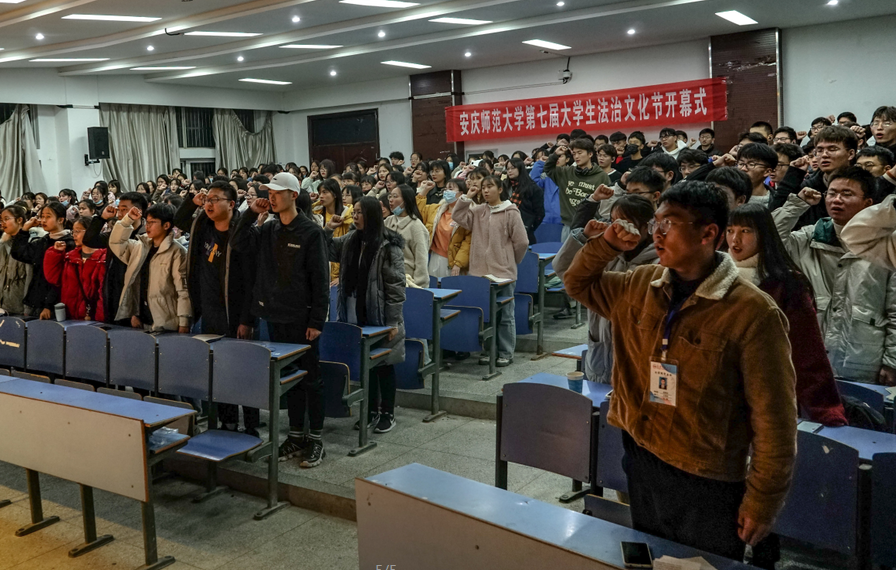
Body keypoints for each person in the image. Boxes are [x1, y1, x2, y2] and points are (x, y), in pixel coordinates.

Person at [564, 180, 797, 561]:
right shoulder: (640, 283)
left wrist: (763, 498)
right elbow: (577, 282)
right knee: (653, 558)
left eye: (669, 224)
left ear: (708, 234)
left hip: (705, 474)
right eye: (655, 222)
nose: (657, 233)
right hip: (641, 452)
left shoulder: (753, 312)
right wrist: (605, 244)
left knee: (700, 565)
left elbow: (775, 420)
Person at [232, 172, 330, 467]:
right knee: (291, 380)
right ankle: (296, 435)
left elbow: (320, 280)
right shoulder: (268, 229)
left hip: (302, 318)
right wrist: (251, 213)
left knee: (311, 379)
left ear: (293, 195)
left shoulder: (311, 232)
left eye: (276, 193)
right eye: (269, 193)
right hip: (274, 314)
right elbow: (238, 243)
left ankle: (316, 439)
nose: (271, 197)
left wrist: (316, 321)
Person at [773, 167, 896, 385]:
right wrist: (796, 205)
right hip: (809, 354)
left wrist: (892, 360)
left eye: (847, 194)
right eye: (832, 193)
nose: (836, 200)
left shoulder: (885, 244)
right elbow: (769, 242)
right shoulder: (811, 236)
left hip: (863, 359)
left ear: (868, 203)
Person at [727, 204, 847, 426]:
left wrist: (825, 411)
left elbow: (808, 351)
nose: (735, 239)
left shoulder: (786, 283)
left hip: (769, 395)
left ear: (764, 235)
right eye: (730, 230)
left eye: (745, 231)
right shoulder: (715, 277)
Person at [174, 181, 258, 435]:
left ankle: (251, 426)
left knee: (242, 372)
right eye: (207, 199)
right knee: (220, 371)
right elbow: (180, 219)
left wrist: (247, 320)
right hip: (210, 312)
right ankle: (227, 421)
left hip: (236, 314)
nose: (209, 204)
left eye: (215, 199)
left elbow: (252, 282)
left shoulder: (243, 235)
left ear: (231, 204)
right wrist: (193, 201)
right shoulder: (204, 228)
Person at [553, 194, 658, 384]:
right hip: (601, 356)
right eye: (614, 221)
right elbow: (563, 269)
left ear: (647, 227)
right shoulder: (604, 252)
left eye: (627, 223)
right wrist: (585, 238)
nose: (619, 229)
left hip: (637, 365)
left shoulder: (657, 262)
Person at [328, 196, 406, 433]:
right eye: (354, 212)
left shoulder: (388, 245)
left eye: (360, 212)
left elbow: (396, 287)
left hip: (379, 313)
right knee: (366, 364)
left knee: (384, 364)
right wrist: (328, 229)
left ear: (371, 215)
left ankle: (387, 413)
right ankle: (370, 411)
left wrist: (393, 322)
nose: (355, 216)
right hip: (353, 309)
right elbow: (325, 248)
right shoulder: (350, 239)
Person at [453, 175, 529, 367]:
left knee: (505, 316)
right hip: (480, 274)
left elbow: (522, 242)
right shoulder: (479, 211)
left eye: (490, 186)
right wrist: (467, 197)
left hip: (503, 274)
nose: (486, 190)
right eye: (483, 187)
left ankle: (505, 352)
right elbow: (458, 217)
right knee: (486, 315)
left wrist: (510, 260)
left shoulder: (511, 212)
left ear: (500, 189)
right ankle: (489, 350)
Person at [108, 203, 191, 333]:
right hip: (140, 319)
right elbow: (116, 243)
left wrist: (184, 323)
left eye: (152, 222)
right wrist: (128, 220)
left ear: (166, 225)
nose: (147, 226)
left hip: (166, 321)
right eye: (147, 222)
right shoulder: (140, 246)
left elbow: (183, 290)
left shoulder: (177, 252)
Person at [770, 125, 858, 229]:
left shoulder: (864, 185)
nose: (824, 155)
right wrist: (793, 175)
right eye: (819, 150)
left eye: (832, 149)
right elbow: (774, 216)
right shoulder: (807, 189)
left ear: (851, 154)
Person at [83, 192, 149, 325]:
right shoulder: (115, 234)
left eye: (124, 209)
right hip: (112, 291)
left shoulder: (146, 237)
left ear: (138, 211)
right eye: (119, 209)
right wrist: (102, 217)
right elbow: (90, 240)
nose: (119, 213)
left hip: (134, 297)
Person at [11, 202, 74, 319]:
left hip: (56, 304)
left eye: (48, 217)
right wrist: (24, 230)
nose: (43, 220)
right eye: (42, 216)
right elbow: (18, 253)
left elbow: (60, 279)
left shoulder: (68, 244)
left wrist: (48, 305)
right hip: (36, 300)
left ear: (61, 220)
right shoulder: (43, 241)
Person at [544, 137, 611, 240]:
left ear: (590, 154)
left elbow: (607, 203)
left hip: (591, 227)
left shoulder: (601, 176)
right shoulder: (566, 172)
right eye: (574, 153)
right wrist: (555, 154)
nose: (576, 156)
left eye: (580, 153)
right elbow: (548, 168)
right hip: (569, 226)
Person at [43, 216, 106, 321]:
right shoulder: (70, 257)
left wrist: (100, 321)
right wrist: (55, 253)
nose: (74, 235)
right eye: (73, 231)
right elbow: (53, 278)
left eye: (78, 231)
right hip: (70, 318)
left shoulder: (103, 259)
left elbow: (103, 295)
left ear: (91, 232)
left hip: (92, 319)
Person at [418, 178, 471, 278]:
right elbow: (418, 212)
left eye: (450, 189)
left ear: (461, 193)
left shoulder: (466, 214)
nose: (446, 192)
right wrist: (424, 191)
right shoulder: (435, 209)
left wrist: (459, 263)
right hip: (434, 257)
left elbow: (468, 242)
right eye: (445, 189)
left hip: (454, 262)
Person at [385, 184, 430, 288]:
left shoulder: (416, 226)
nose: (391, 200)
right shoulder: (387, 221)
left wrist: (418, 286)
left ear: (406, 200)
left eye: (395, 196)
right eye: (390, 196)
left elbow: (421, 260)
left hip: (408, 282)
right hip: (387, 279)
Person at [316, 179, 353, 284]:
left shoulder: (348, 216)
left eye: (325, 192)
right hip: (322, 272)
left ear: (335, 194)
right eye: (319, 193)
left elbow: (350, 250)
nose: (321, 196)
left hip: (343, 274)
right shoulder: (316, 216)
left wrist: (343, 276)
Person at [0, 205, 33, 315]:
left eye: (6, 219)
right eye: (1, 220)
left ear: (19, 220)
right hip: (3, 306)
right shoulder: (2, 245)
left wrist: (27, 308)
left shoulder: (29, 244)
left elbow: (30, 278)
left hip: (20, 308)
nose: (2, 223)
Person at [505, 157, 544, 244]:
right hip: (505, 230)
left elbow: (540, 213)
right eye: (508, 169)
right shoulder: (504, 186)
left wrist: (530, 225)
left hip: (525, 230)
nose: (510, 171)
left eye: (513, 168)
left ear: (520, 169)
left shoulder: (533, 188)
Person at [531, 145, 567, 226]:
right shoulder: (547, 177)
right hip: (546, 219)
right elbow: (534, 183)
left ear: (567, 159)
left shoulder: (571, 176)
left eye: (560, 156)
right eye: (555, 156)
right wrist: (540, 163)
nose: (557, 159)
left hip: (565, 221)